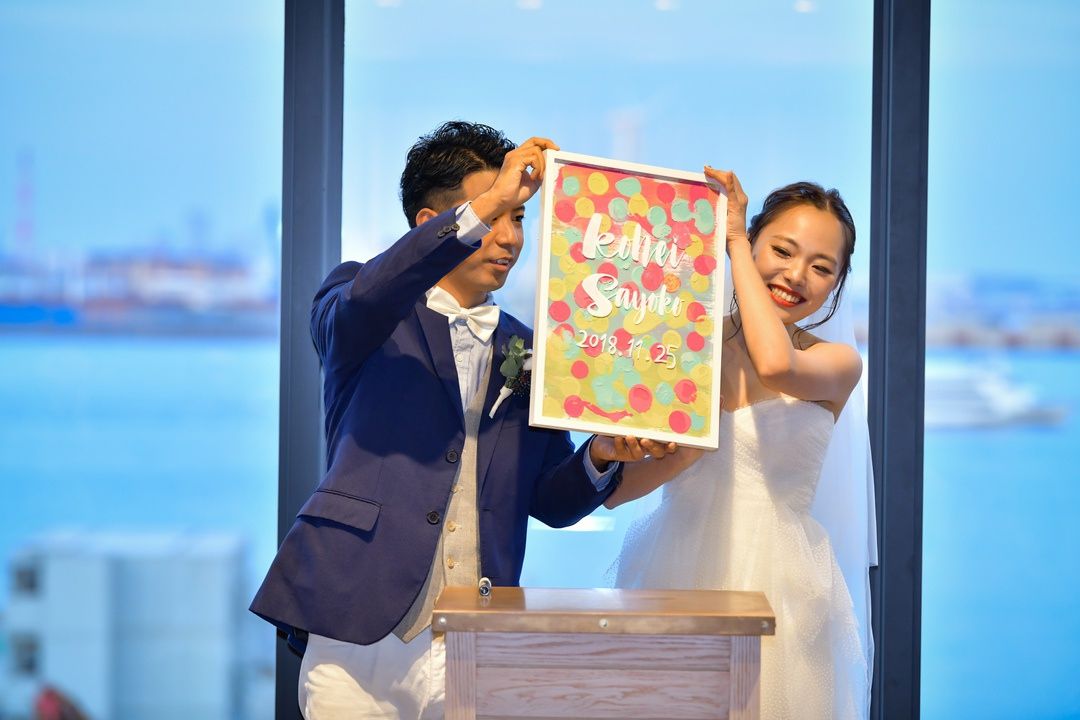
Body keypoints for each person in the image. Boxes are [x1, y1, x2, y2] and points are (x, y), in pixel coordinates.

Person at [249, 121, 675, 719]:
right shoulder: (359, 304)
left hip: (476, 633)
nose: (510, 237)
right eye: (495, 215)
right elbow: (369, 297)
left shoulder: (530, 348)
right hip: (354, 623)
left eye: (518, 218)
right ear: (431, 223)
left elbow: (551, 501)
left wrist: (601, 453)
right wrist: (493, 198)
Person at [607, 169, 872, 719]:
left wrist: (731, 241)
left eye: (822, 267)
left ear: (837, 284)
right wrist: (675, 453)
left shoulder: (837, 363)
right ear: (755, 243)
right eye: (782, 250)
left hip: (781, 587)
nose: (796, 275)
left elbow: (775, 363)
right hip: (675, 567)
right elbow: (616, 494)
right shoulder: (679, 345)